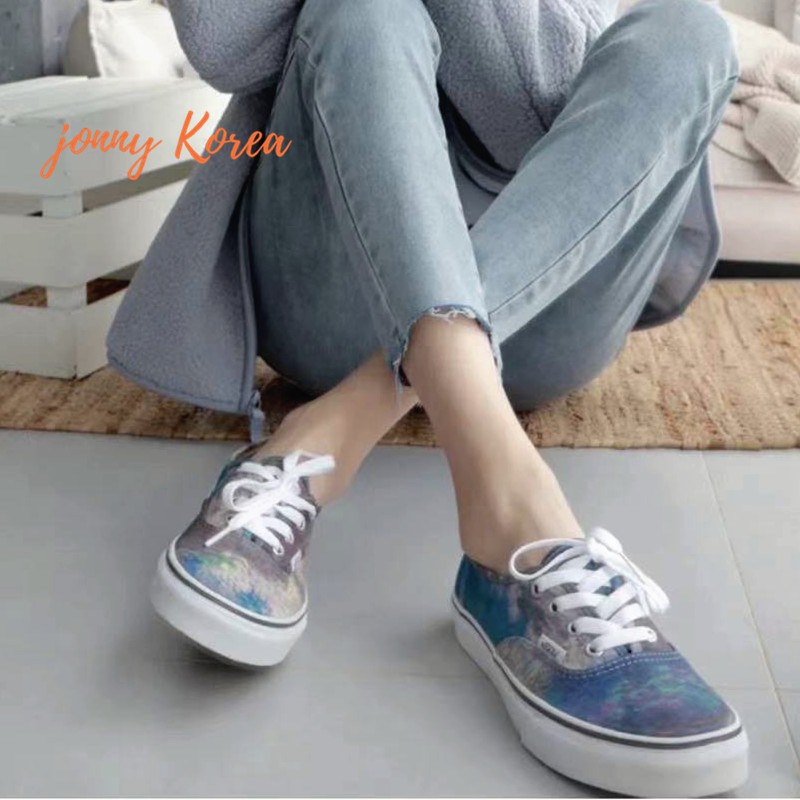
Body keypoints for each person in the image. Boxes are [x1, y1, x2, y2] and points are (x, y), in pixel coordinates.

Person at [109, 0, 747, 795]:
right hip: (332, 278)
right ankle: (515, 517)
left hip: (551, 296)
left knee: (691, 31)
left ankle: (338, 425)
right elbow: (224, 45)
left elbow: (529, 93)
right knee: (363, 10)